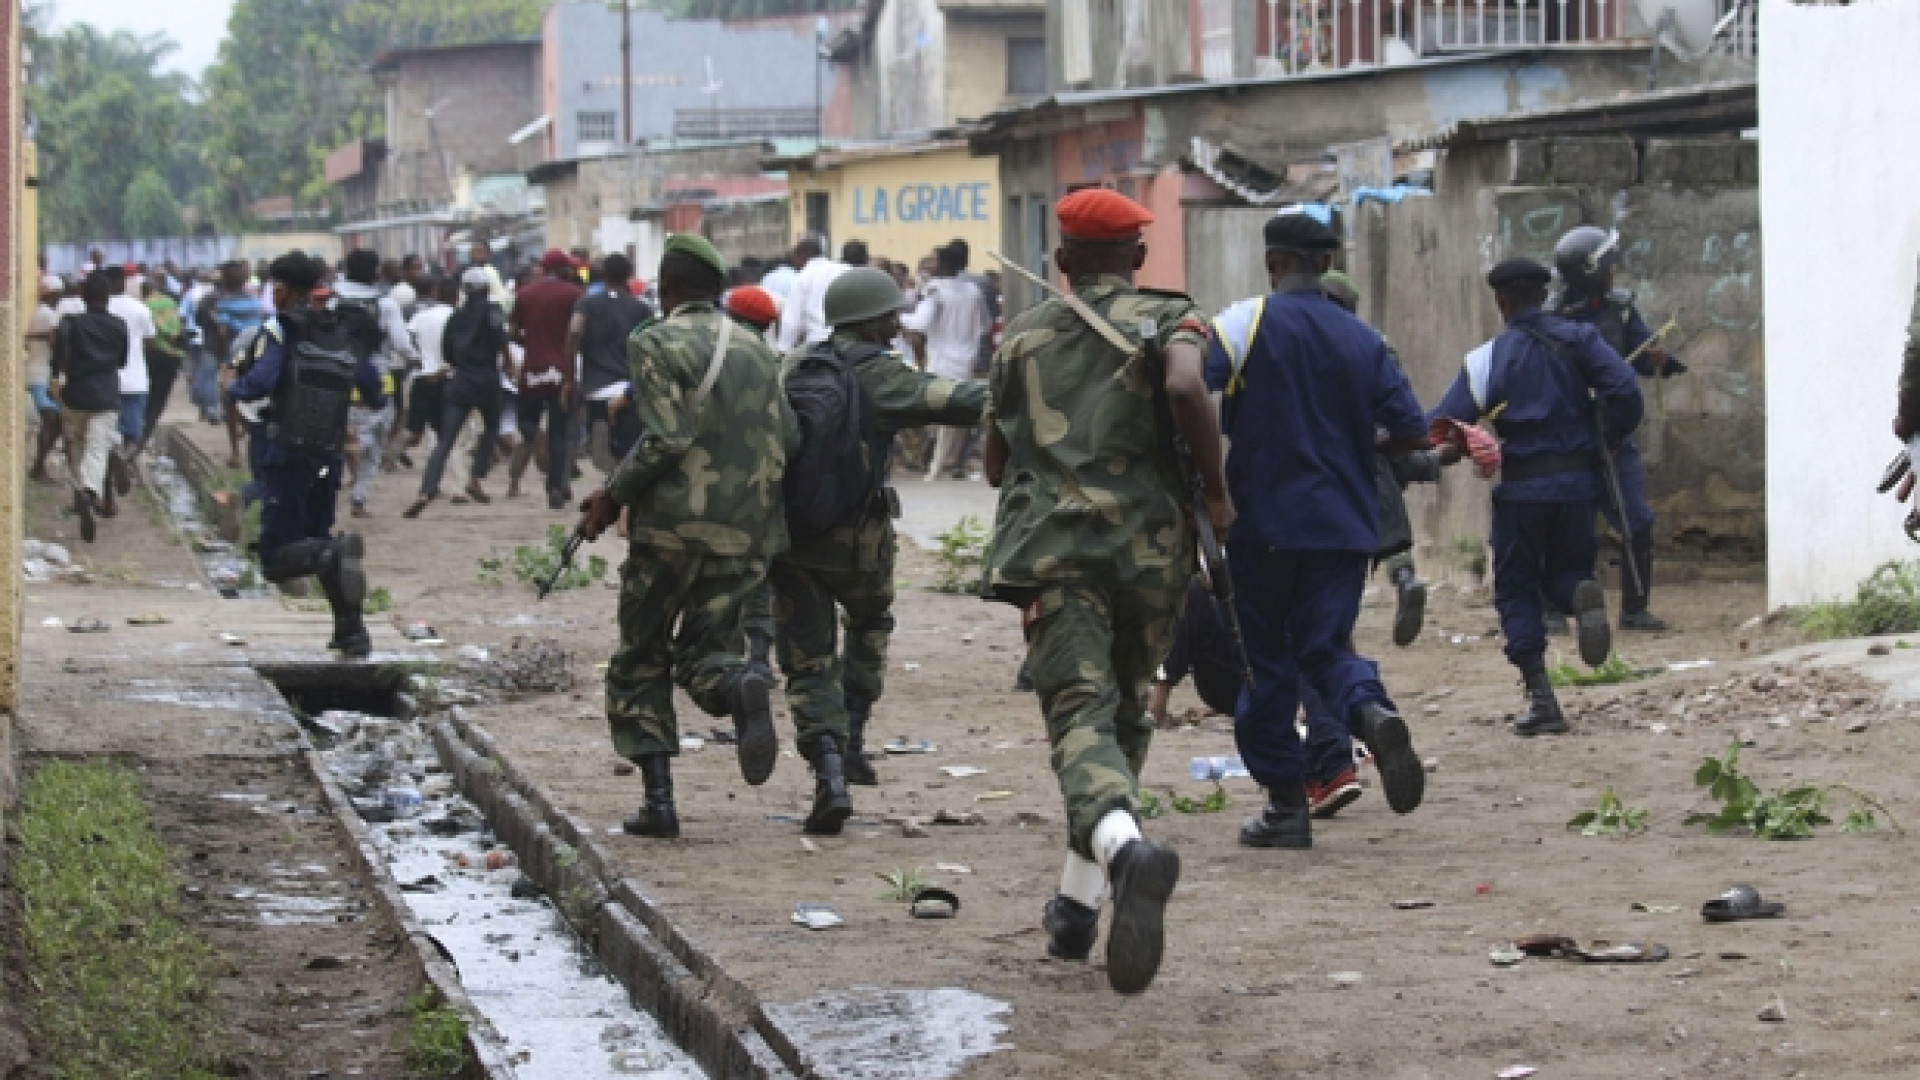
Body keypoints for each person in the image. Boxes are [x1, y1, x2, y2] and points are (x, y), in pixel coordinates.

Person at [983, 188, 1227, 996]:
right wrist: (1218, 494)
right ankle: (1078, 910)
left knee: (1078, 722)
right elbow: (1190, 390)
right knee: (1123, 719)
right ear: (1139, 257)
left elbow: (994, 462)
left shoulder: (1020, 338)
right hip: (1153, 556)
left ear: (1060, 261)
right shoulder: (1173, 317)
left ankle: (1126, 855)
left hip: (1060, 557)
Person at [1201, 211, 1429, 851]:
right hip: (1346, 527)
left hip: (1265, 524)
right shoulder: (1365, 339)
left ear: (1274, 262)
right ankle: (1369, 710)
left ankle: (1284, 806)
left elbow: (1192, 387)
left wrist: (1208, 482)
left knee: (1265, 662)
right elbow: (1411, 428)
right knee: (1326, 648)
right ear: (1326, 264)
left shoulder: (1243, 323)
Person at [569, 235, 794, 839]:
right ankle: (739, 683)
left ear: (666, 289)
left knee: (641, 657)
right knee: (707, 650)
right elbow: (787, 440)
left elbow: (666, 437)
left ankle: (659, 804)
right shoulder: (758, 349)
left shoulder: (654, 341)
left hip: (670, 528)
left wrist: (613, 492)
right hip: (742, 530)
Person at [771, 267, 989, 833]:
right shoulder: (881, 375)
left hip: (794, 538)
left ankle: (828, 774)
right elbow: (957, 401)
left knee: (807, 661)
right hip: (860, 539)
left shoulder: (794, 366)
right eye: (890, 314)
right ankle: (854, 740)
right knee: (869, 626)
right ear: (869, 320)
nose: (898, 322)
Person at [1429, 258, 1643, 736]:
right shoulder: (1581, 340)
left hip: (1521, 488)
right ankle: (1577, 593)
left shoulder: (1487, 360)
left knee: (1517, 589)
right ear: (1543, 295)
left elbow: (1444, 422)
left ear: (1502, 302)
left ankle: (1542, 698)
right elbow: (1626, 390)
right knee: (1568, 568)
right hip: (1578, 485)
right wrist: (1604, 435)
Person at [224, 253, 385, 656]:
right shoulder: (344, 329)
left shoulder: (282, 329)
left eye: (276, 288)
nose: (273, 295)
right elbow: (372, 389)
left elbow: (259, 383)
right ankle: (352, 633)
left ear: (288, 291)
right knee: (317, 539)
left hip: (286, 453)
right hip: (327, 455)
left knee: (279, 557)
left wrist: (233, 385)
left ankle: (334, 555)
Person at [1552, 226, 1681, 632]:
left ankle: (1634, 609)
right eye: (1606, 266)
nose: (1613, 273)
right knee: (1563, 527)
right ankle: (1554, 608)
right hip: (1569, 441)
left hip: (1615, 437)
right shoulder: (1554, 319)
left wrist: (1658, 359)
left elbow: (1640, 353)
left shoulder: (1622, 310)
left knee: (1636, 521)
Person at [407, 268, 512, 516]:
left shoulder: (456, 316)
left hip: (460, 382)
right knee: (491, 428)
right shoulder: (493, 310)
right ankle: (476, 477)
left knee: (445, 440)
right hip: (486, 381)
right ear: (486, 288)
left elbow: (448, 353)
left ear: (464, 290)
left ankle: (426, 489)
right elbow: (501, 339)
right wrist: (510, 364)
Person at [332, 250, 418, 516]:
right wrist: (415, 358)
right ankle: (359, 498)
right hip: (376, 377)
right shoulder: (386, 304)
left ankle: (346, 454)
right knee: (375, 438)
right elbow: (401, 344)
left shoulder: (331, 299)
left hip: (335, 375)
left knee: (337, 432)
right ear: (374, 273)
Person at [903, 243, 990, 481]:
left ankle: (934, 467)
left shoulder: (935, 290)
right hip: (965, 362)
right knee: (956, 419)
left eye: (933, 260)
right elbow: (984, 325)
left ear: (941, 264)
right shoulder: (973, 291)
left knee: (937, 417)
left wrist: (895, 316)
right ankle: (946, 463)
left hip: (941, 362)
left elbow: (920, 322)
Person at [50, 272, 126, 542]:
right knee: (97, 447)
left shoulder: (71, 322)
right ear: (108, 297)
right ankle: (91, 493)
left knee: (78, 446)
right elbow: (121, 361)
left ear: (82, 296)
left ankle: (82, 489)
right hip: (106, 395)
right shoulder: (119, 325)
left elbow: (59, 351)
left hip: (76, 395)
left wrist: (56, 376)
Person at [507, 249, 584, 508]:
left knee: (526, 421)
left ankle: (536, 438)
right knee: (560, 432)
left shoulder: (524, 294)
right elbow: (579, 333)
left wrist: (530, 341)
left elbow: (513, 331)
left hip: (532, 369)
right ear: (561, 269)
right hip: (563, 372)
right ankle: (555, 487)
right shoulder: (574, 295)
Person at [567, 253, 654, 474]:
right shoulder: (641, 309)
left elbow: (575, 332)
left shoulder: (586, 304)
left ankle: (597, 440)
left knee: (598, 431)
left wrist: (568, 377)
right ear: (629, 276)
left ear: (603, 274)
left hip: (595, 388)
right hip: (627, 391)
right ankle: (616, 472)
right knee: (625, 451)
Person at [204, 261, 265, 468]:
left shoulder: (224, 304)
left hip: (234, 356)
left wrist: (222, 360)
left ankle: (236, 452)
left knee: (231, 402)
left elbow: (222, 332)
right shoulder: (255, 302)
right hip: (256, 355)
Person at [101, 265, 156, 481]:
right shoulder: (140, 309)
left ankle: (110, 470)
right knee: (133, 435)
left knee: (106, 434)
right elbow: (151, 342)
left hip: (106, 382)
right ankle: (124, 458)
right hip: (135, 380)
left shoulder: (99, 308)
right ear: (124, 283)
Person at [773, 236, 844, 353]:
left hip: (817, 345)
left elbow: (791, 320)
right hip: (847, 343)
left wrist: (783, 350)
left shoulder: (803, 277)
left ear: (801, 256)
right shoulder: (844, 269)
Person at [26, 273, 63, 482]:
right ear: (55, 294)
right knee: (51, 419)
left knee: (54, 420)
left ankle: (39, 467)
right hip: (39, 374)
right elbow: (54, 340)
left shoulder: (40, 312)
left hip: (40, 373)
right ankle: (39, 468)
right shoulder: (49, 315)